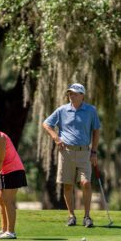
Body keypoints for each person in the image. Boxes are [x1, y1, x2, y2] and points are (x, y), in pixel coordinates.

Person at [42, 82, 101, 227]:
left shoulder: (90, 111)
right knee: (68, 185)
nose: (71, 96)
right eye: (70, 93)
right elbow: (46, 123)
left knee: (85, 183)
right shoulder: (62, 110)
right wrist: (55, 137)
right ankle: (71, 216)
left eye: (74, 93)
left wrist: (94, 151)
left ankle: (87, 217)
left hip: (84, 152)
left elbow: (96, 131)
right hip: (66, 152)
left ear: (82, 95)